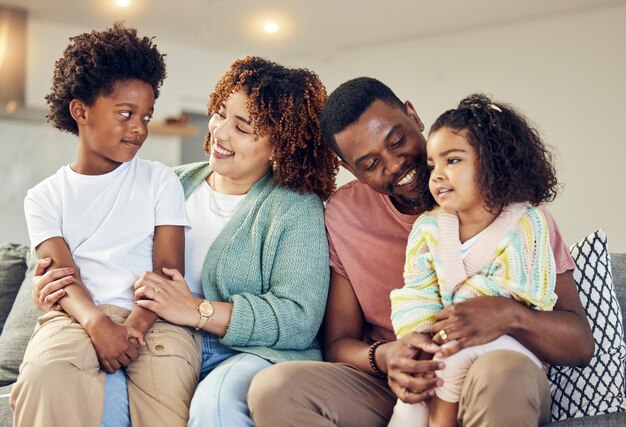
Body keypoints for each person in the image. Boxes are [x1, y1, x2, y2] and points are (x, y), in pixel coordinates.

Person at [248, 77, 595, 427]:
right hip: (404, 386)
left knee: (499, 373)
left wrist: (509, 315)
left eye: (397, 141)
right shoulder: (344, 216)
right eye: (369, 164)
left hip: (498, 372)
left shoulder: (514, 211)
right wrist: (386, 357)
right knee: (275, 389)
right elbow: (338, 341)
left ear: (413, 116)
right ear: (350, 170)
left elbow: (579, 345)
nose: (394, 165)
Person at [32, 56, 338, 426]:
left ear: (281, 144)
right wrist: (53, 291)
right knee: (101, 405)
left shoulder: (296, 208)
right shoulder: (170, 182)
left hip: (244, 351)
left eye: (242, 127)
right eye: (221, 113)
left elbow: (299, 319)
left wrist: (196, 310)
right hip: (156, 335)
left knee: (215, 406)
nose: (220, 132)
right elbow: (100, 253)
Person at [10, 24, 201, 427]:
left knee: (168, 400)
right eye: (126, 114)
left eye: (146, 117)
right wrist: (98, 323)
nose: (140, 129)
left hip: (154, 320)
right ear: (80, 111)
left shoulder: (159, 180)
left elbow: (168, 271)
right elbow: (61, 277)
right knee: (45, 377)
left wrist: (133, 326)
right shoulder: (44, 197)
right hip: (75, 318)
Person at [388, 93, 562, 426]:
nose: (437, 175)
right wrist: (422, 335)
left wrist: (452, 326)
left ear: (493, 162)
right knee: (412, 399)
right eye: (432, 165)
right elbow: (417, 290)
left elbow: (519, 286)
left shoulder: (524, 221)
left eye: (452, 161)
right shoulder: (428, 228)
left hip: (507, 346)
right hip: (449, 339)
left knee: (449, 361)